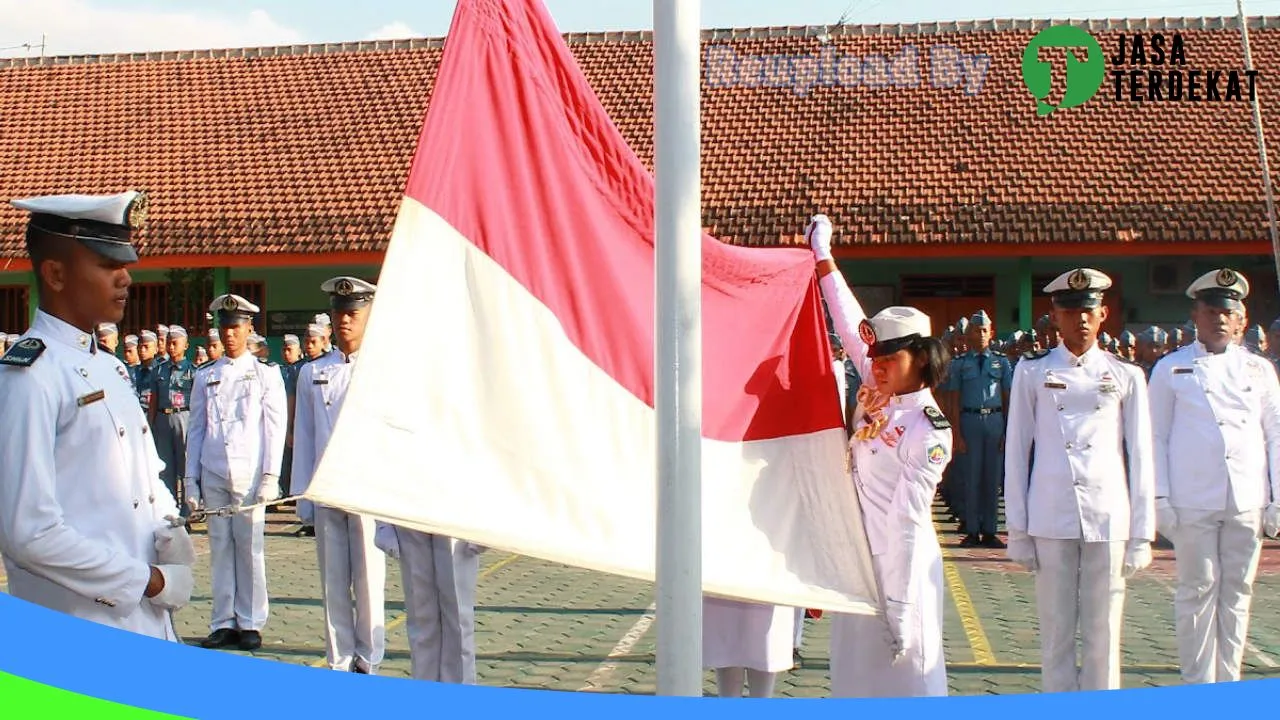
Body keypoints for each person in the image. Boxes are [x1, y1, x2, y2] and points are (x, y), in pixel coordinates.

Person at [0, 190, 194, 639]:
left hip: (143, 620)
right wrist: (151, 580)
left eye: (124, 264)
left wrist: (167, 526)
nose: (125, 278)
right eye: (108, 265)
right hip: (79, 624)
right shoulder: (30, 377)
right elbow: (28, 533)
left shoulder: (110, 367)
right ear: (55, 273)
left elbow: (146, 473)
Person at [808, 214, 952, 698]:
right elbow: (851, 324)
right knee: (852, 678)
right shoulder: (878, 391)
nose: (877, 367)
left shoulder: (927, 430)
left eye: (890, 360)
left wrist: (900, 607)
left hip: (902, 566)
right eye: (876, 360)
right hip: (860, 559)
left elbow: (908, 522)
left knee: (912, 677)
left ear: (922, 358)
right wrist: (823, 257)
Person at [1004, 268, 1155, 693]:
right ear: (1054, 315)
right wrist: (1018, 529)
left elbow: (1142, 456)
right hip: (1051, 513)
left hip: (1107, 515)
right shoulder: (1031, 372)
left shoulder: (1126, 375)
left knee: (1103, 634)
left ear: (1103, 314)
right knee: (1055, 635)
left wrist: (1142, 534)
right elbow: (1017, 452)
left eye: (1088, 311)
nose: (1080, 320)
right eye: (1070, 311)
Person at [1149, 268, 1280, 684]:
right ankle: (1198, 684)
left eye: (1229, 312)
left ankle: (1229, 682)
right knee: (1196, 591)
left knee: (1238, 593)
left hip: (1246, 497)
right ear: (1195, 314)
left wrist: (1278, 498)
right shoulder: (1171, 368)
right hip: (1192, 499)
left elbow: (1275, 435)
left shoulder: (1260, 371)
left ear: (1241, 319)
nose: (1219, 319)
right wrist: (1160, 500)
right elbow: (1154, 437)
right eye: (1211, 311)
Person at [291, 277, 388, 674]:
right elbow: (306, 435)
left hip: (367, 489)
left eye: (353, 313)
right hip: (328, 489)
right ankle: (340, 658)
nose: (344, 321)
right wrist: (304, 496)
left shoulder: (383, 368)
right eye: (339, 313)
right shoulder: (315, 371)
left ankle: (369, 658)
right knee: (333, 582)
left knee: (368, 579)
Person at [184, 293, 287, 651]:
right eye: (224, 327)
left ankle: (251, 620)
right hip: (213, 469)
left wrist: (271, 476)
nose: (229, 334)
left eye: (236, 327)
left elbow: (275, 428)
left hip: (249, 471)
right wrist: (190, 480)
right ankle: (223, 620)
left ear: (249, 329)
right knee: (220, 546)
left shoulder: (264, 375)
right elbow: (196, 429)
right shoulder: (205, 376)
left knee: (250, 547)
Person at [944, 310, 1011, 549]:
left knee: (992, 479)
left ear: (991, 333)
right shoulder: (960, 364)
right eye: (976, 330)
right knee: (972, 477)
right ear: (969, 334)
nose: (980, 335)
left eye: (984, 330)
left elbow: (1008, 399)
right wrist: (956, 433)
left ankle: (990, 530)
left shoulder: (1002, 363)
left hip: (994, 421)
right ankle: (972, 529)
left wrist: (1007, 432)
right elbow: (953, 399)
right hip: (969, 420)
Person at [150, 325, 196, 517]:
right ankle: (169, 510)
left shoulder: (193, 371)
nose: (171, 346)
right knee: (165, 467)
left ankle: (186, 512)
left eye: (175, 343)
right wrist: (150, 423)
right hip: (162, 418)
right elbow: (153, 398)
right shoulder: (159, 369)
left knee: (185, 465)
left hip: (184, 417)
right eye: (169, 342)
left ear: (186, 345)